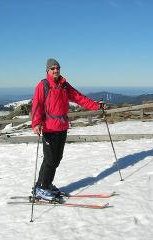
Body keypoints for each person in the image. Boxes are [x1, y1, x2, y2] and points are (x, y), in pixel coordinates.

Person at [31, 58, 106, 201]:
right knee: (50, 159)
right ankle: (41, 188)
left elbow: (79, 98)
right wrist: (36, 123)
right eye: (52, 68)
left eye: (57, 68)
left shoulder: (64, 85)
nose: (55, 70)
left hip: (62, 127)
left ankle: (44, 183)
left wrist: (96, 106)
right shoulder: (43, 85)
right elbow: (37, 105)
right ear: (48, 70)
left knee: (57, 158)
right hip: (48, 128)